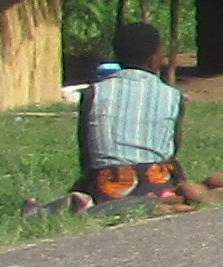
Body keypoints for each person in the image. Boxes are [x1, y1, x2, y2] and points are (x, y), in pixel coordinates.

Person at [74, 23, 192, 208]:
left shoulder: (93, 93)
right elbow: (172, 148)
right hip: (157, 186)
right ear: (154, 59)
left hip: (106, 188)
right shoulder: (173, 96)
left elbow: (86, 153)